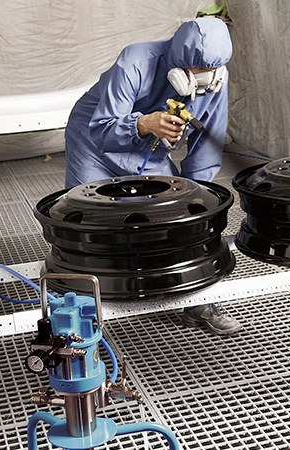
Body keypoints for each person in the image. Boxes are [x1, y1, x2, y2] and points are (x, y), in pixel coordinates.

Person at [64, 18, 242, 336]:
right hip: (94, 141)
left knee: (175, 216)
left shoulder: (216, 79)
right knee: (87, 220)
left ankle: (197, 302)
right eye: (197, 74)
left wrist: (196, 200)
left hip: (149, 152)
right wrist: (144, 124)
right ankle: (80, 311)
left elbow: (206, 145)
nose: (204, 82)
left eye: (210, 74)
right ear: (178, 64)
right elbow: (102, 127)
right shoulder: (135, 61)